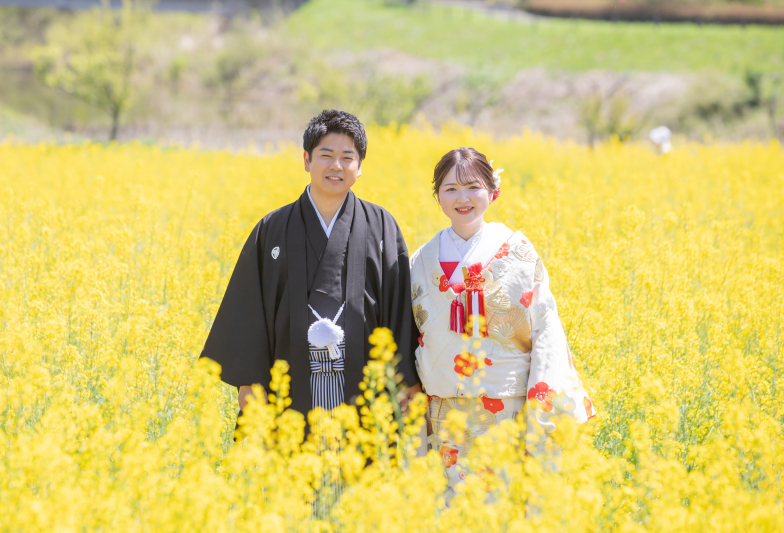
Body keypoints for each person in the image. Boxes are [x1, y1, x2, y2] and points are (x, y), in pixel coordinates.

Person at [200, 109, 421, 430]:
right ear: (307, 160)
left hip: (365, 386)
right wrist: (249, 382)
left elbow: (398, 309)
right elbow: (249, 309)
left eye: (347, 157)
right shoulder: (272, 228)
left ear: (360, 166)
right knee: (291, 455)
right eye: (326, 156)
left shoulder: (381, 226)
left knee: (362, 458)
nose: (336, 166)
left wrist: (404, 380)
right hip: (289, 386)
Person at [409, 147, 595, 498]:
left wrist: (541, 402)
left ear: (492, 191)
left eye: (473, 187)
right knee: (449, 509)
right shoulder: (421, 259)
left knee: (503, 503)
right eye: (450, 189)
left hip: (507, 406)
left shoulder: (518, 252)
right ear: (437, 197)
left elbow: (545, 330)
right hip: (444, 411)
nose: (462, 198)